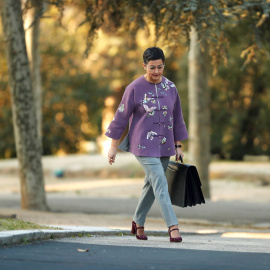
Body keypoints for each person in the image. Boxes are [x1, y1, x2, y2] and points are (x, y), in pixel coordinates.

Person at [105, 47, 188, 242]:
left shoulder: (171, 87)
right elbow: (121, 117)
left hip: (165, 145)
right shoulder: (134, 88)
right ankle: (173, 226)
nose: (157, 72)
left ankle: (138, 222)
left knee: (150, 185)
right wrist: (113, 145)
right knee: (159, 182)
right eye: (152, 67)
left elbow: (177, 118)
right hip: (142, 144)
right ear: (144, 66)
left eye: (160, 67)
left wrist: (178, 146)